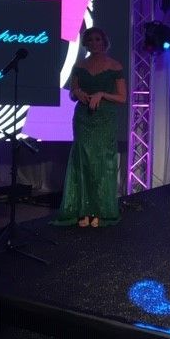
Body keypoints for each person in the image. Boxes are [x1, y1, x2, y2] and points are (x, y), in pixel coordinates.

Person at [52, 27, 126, 228]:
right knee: (83, 162)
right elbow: (72, 93)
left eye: (98, 39)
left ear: (104, 41)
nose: (94, 43)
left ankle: (100, 211)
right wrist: (78, 92)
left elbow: (122, 97)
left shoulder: (114, 66)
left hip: (104, 119)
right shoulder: (80, 65)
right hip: (83, 118)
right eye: (90, 40)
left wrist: (101, 93)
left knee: (102, 163)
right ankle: (84, 210)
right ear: (86, 43)